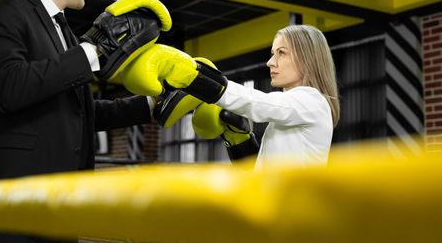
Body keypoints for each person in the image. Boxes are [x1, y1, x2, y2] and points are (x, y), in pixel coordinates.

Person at [0, 0, 165, 243]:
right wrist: (96, 47)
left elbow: (77, 110)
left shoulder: (63, 29)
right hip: (12, 207)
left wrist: (151, 105)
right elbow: (10, 87)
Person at [122, 24, 340, 166]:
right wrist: (239, 141)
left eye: (281, 53)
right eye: (272, 54)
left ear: (307, 58)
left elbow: (258, 103)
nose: (270, 62)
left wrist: (194, 76)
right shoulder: (294, 111)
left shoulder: (313, 101)